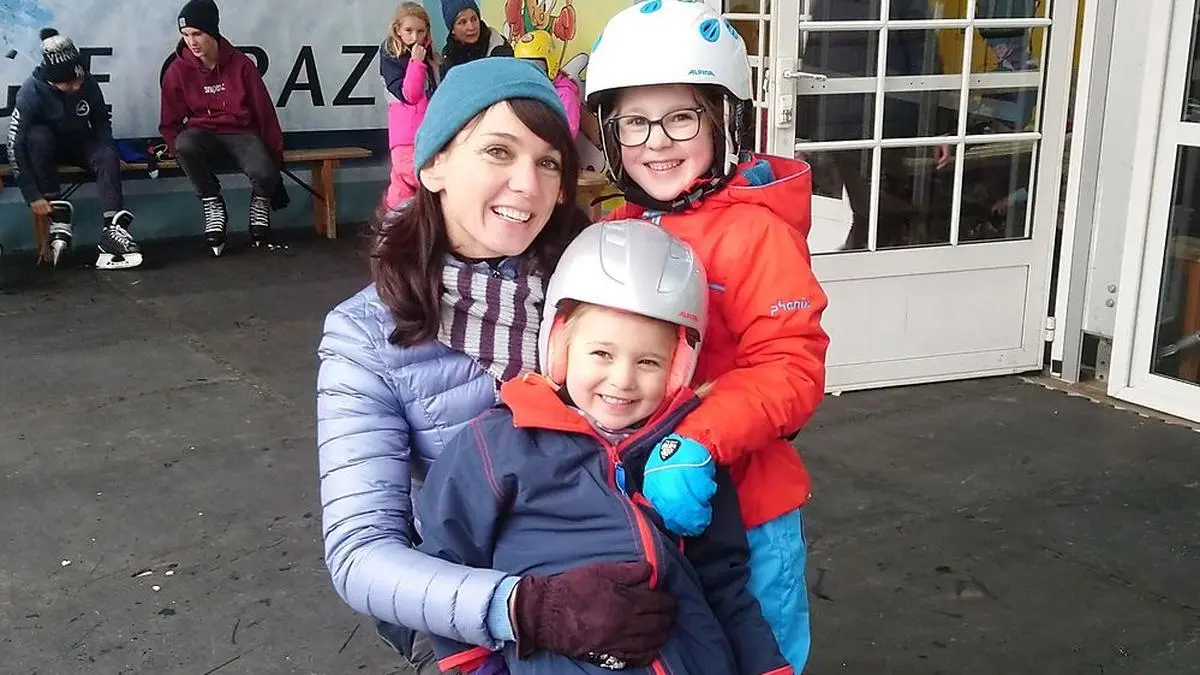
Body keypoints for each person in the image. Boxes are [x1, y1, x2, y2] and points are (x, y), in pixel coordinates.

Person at [316, 57, 674, 675]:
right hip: (477, 620)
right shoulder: (365, 335)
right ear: (433, 166)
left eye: (548, 161)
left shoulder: (595, 291)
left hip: (631, 586)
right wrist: (525, 607)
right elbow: (360, 554)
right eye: (498, 152)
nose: (527, 185)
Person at [417, 219, 792, 675]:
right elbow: (445, 565)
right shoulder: (495, 446)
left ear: (678, 369)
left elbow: (724, 581)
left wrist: (765, 668)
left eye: (649, 362)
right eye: (601, 354)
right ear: (560, 347)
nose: (622, 380)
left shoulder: (684, 457)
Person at [585, 1, 830, 669]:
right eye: (635, 122)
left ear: (725, 120)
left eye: (680, 117)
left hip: (749, 511)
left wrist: (696, 440)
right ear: (611, 135)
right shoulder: (631, 227)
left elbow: (792, 367)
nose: (656, 141)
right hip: (650, 511)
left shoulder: (757, 232)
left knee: (758, 653)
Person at [5, 28, 141, 269]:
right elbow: (14, 145)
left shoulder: (86, 81)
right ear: (53, 79)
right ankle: (57, 214)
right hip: (45, 150)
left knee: (107, 154)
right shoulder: (31, 92)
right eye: (69, 82)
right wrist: (32, 195)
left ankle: (113, 228)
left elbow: (100, 119)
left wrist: (110, 152)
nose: (76, 85)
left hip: (78, 141)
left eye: (78, 78)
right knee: (38, 136)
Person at [159, 0, 285, 256]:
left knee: (264, 173)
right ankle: (212, 202)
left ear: (212, 32)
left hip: (240, 133)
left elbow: (264, 113)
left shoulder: (241, 65)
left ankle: (261, 200)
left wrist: (274, 159)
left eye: (197, 34)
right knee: (185, 143)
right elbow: (169, 123)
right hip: (203, 134)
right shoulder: (177, 71)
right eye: (185, 35)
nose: (191, 42)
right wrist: (176, 149)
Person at [381, 2, 440, 209]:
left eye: (420, 31)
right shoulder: (392, 56)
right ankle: (395, 224)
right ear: (397, 29)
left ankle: (392, 226)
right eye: (409, 30)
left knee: (401, 188)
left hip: (427, 133)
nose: (415, 37)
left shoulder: (430, 56)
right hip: (406, 137)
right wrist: (416, 63)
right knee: (423, 181)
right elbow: (410, 94)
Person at [512, 30, 580, 140]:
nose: (530, 74)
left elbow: (566, 136)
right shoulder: (523, 89)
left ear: (549, 64)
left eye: (537, 66)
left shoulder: (565, 94)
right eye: (524, 68)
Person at [440, 0, 513, 78]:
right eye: (463, 22)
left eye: (474, 19)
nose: (471, 27)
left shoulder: (498, 47)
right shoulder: (447, 59)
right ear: (452, 29)